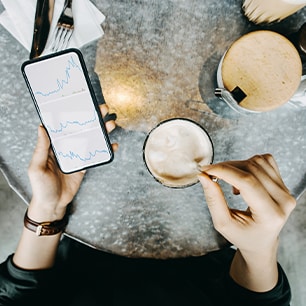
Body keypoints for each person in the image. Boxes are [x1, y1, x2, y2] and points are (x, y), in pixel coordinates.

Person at [0, 104, 295, 306]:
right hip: (209, 265)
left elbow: (15, 298)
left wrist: (47, 210)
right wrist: (259, 249)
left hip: (79, 255)